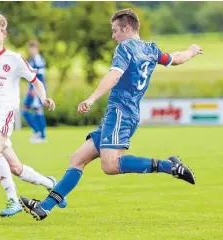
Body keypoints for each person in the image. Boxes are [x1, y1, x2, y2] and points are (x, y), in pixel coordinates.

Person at [19, 8, 203, 221]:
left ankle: (170, 166)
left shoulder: (125, 48)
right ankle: (45, 207)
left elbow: (114, 76)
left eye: (115, 30)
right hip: (121, 114)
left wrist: (91, 98)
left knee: (110, 165)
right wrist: (191, 50)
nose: (113, 35)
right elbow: (176, 58)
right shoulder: (151, 49)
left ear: (126, 28)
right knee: (78, 159)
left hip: (120, 113)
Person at [0, 13, 67, 218]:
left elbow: (36, 80)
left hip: (3, 112)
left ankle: (13, 200)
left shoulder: (14, 59)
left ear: (4, 34)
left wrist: (43, 98)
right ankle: (52, 184)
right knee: (15, 167)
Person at [22, 40, 48, 144]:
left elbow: (40, 76)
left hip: (36, 89)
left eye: (33, 49)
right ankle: (40, 134)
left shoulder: (38, 60)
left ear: (37, 49)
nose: (31, 51)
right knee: (27, 110)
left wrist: (34, 89)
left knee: (35, 110)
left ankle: (40, 134)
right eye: (30, 49)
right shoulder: (33, 60)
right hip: (32, 88)